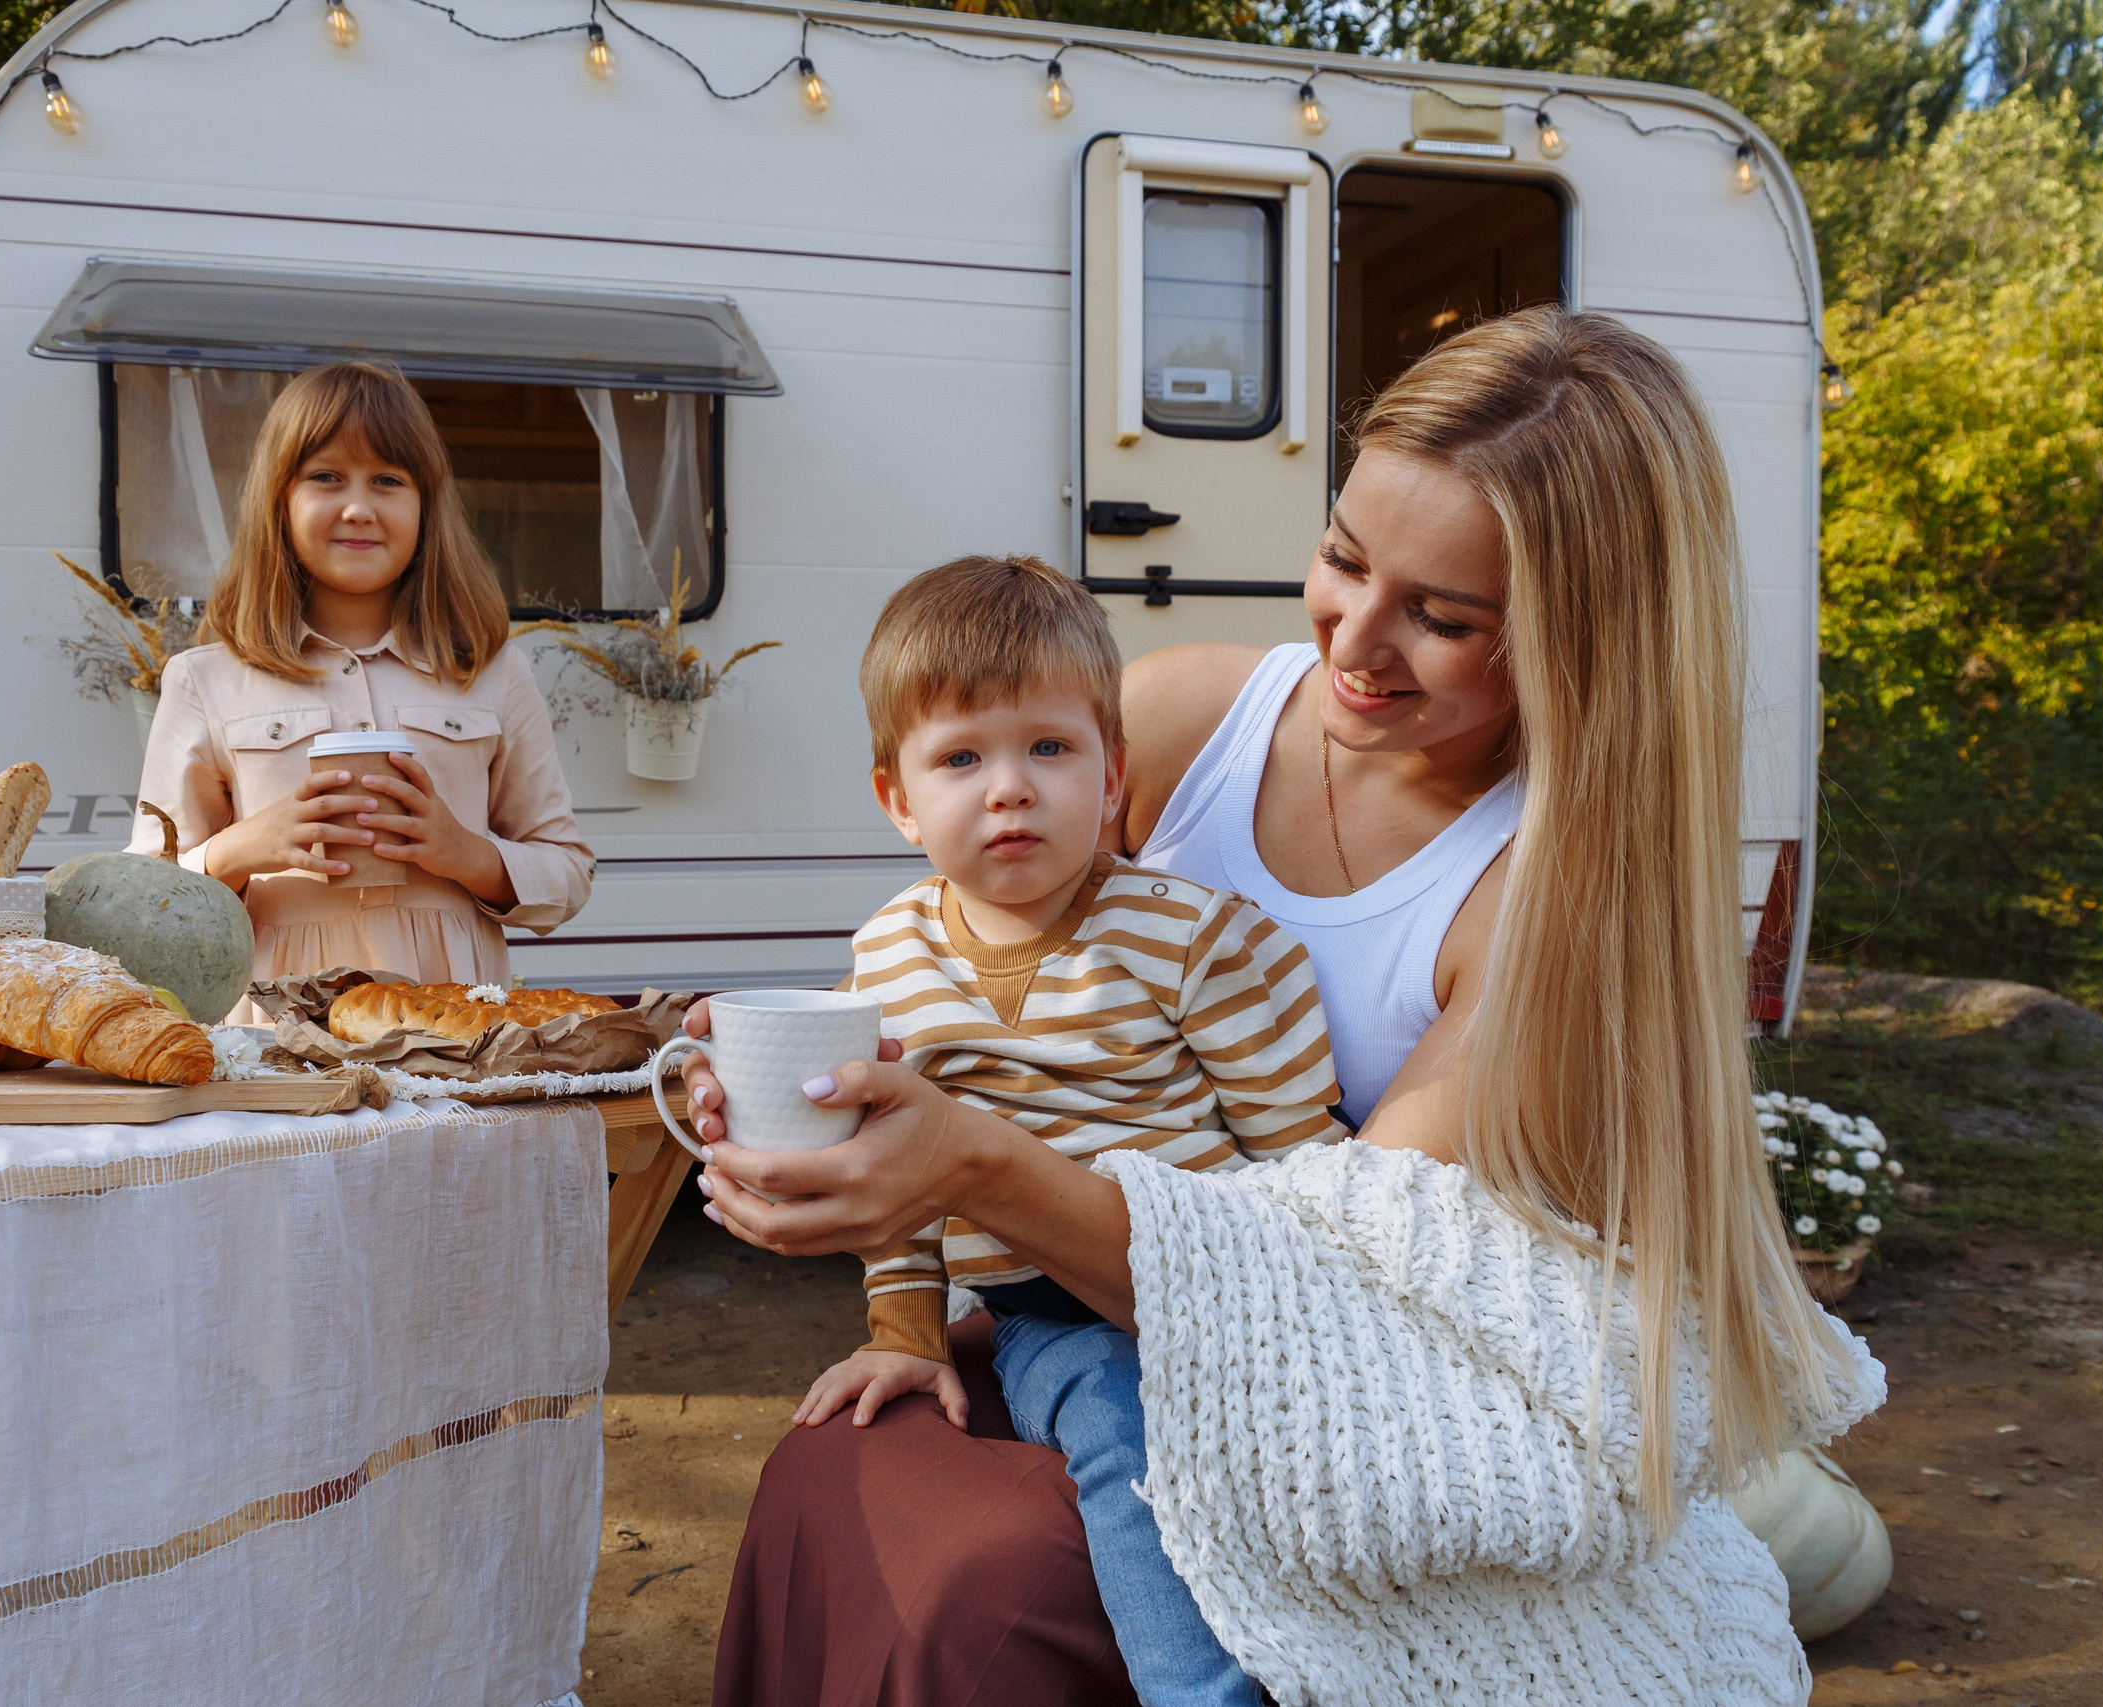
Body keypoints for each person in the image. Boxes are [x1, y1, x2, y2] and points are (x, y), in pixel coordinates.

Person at [695, 307, 1884, 1705]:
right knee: (834, 1465)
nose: (1353, 644)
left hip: (1349, 1387)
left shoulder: (1552, 901)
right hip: (1068, 1303)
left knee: (984, 1587)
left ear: (1582, 641)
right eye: (1343, 557)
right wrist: (819, 1092)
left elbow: (1328, 1289)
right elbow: (984, 961)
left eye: (1442, 618)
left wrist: (973, 1166)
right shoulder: (1183, 717)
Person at [802, 554, 1344, 1707]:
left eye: (1049, 748)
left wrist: (1305, 1321)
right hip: (1048, 1316)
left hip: (1221, 1289)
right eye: (961, 759)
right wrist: (903, 1330)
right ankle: (1198, 1694)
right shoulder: (886, 961)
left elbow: (1301, 1152)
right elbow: (893, 1172)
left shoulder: (1193, 939)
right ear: (897, 799)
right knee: (1119, 1426)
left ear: (1112, 780)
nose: (1009, 789)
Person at [135, 362, 593, 1019]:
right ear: (279, 500)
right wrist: (241, 849)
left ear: (427, 505)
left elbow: (569, 874)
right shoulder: (204, 678)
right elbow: (142, 897)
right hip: (273, 1037)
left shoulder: (492, 672)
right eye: (326, 477)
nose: (358, 507)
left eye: (388, 480)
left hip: (454, 1033)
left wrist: (466, 853)